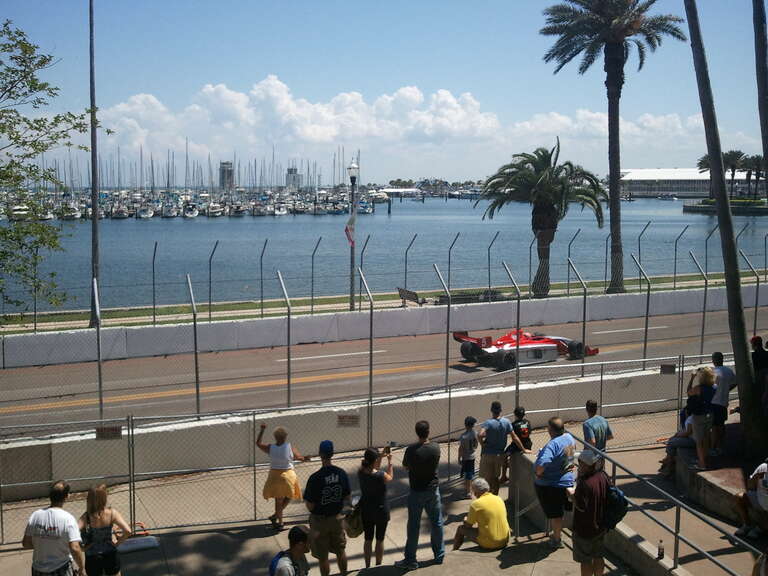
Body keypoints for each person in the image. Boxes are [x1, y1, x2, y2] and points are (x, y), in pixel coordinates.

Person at [394, 420, 444, 571]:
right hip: (433, 490)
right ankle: (439, 554)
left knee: (414, 526)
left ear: (417, 432)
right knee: (436, 522)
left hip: (416, 492)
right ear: (428, 431)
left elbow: (405, 466)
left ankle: (410, 560)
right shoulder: (436, 448)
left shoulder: (411, 450)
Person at [304, 440, 351, 576]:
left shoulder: (315, 478)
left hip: (320, 521)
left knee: (323, 557)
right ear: (332, 453)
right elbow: (348, 497)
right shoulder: (341, 473)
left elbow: (310, 504)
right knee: (340, 550)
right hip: (337, 519)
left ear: (320, 454)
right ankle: (344, 573)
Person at [23, 480, 87, 576]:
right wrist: (81, 568)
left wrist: (44, 544)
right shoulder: (68, 519)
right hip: (61, 569)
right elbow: (75, 547)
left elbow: (26, 543)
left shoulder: (36, 515)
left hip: (38, 570)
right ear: (66, 497)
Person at [534, 417, 577, 550]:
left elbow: (541, 465)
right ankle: (557, 535)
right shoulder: (569, 438)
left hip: (552, 485)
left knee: (556, 515)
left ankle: (557, 539)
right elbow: (570, 456)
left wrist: (538, 473)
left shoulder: (552, 445)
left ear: (550, 430)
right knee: (561, 513)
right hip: (567, 481)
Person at [258, 424, 309, 530]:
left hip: (274, 476)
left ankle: (279, 520)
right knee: (289, 496)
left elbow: (258, 443)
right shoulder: (290, 447)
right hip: (288, 476)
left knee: (278, 500)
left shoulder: (270, 448)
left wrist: (262, 430)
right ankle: (277, 518)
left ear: (275, 437)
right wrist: (305, 458)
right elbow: (299, 457)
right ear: (285, 437)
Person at [570, 451, 610, 576]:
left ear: (585, 465)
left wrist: (571, 495)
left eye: (580, 463)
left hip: (584, 529)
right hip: (600, 526)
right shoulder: (603, 476)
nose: (578, 465)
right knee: (598, 556)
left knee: (585, 560)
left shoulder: (585, 484)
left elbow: (581, 506)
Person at [78, 484, 131, 576]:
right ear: (104, 498)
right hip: (110, 551)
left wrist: (82, 548)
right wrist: (117, 543)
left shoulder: (86, 516)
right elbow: (128, 531)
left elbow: (72, 533)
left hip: (92, 555)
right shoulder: (112, 513)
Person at [478, 401, 529, 494]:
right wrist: (523, 449)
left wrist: (483, 444)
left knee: (486, 478)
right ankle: (495, 496)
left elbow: (480, 434)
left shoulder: (488, 423)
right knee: (496, 477)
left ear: (491, 410)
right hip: (499, 455)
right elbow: (514, 437)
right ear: (500, 410)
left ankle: (487, 497)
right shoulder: (506, 422)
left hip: (487, 454)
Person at [452, 477, 509, 551]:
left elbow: (468, 525)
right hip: (504, 540)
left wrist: (465, 519)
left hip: (490, 543)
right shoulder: (499, 498)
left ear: (475, 492)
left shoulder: (476, 504)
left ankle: (454, 550)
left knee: (461, 529)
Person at [358, 447, 393, 568]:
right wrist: (390, 462)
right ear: (375, 460)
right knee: (380, 539)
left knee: (368, 539)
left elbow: (373, 467)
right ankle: (378, 565)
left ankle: (367, 565)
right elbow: (390, 477)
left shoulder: (361, 472)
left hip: (367, 510)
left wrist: (380, 456)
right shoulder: (380, 475)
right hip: (381, 510)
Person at [686, 366, 716, 470]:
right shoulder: (714, 387)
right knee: (706, 438)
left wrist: (692, 378)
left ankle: (701, 464)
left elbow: (688, 392)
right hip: (710, 414)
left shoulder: (699, 388)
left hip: (699, 416)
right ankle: (705, 459)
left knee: (698, 441)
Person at [710, 352, 737, 457]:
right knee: (721, 426)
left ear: (714, 360)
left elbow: (709, 387)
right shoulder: (728, 371)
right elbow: (735, 382)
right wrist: (727, 389)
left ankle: (713, 448)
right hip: (723, 402)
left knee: (714, 427)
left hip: (713, 402)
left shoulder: (713, 372)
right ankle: (721, 447)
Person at [735, 458, 768, 539]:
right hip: (759, 499)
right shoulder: (763, 467)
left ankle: (759, 529)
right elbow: (750, 486)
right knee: (739, 497)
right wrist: (756, 477)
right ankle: (747, 525)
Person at [658, 407, 695, 478]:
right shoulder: (691, 418)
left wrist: (677, 435)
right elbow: (685, 430)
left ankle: (668, 465)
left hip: (692, 440)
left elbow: (688, 432)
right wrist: (677, 435)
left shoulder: (692, 418)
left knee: (671, 443)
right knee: (672, 441)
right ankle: (668, 462)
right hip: (690, 438)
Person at [500, 407, 532, 484]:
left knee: (503, 456)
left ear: (515, 415)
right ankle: (511, 466)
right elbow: (529, 432)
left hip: (517, 445)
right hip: (527, 443)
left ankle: (504, 476)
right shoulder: (528, 422)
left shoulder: (514, 424)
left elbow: (514, 437)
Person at [458, 416, 478, 498]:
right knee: (470, 474)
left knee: (468, 475)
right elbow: (476, 445)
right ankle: (469, 490)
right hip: (472, 456)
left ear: (465, 425)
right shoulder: (475, 433)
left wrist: (459, 457)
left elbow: (461, 449)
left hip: (466, 457)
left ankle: (469, 492)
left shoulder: (463, 436)